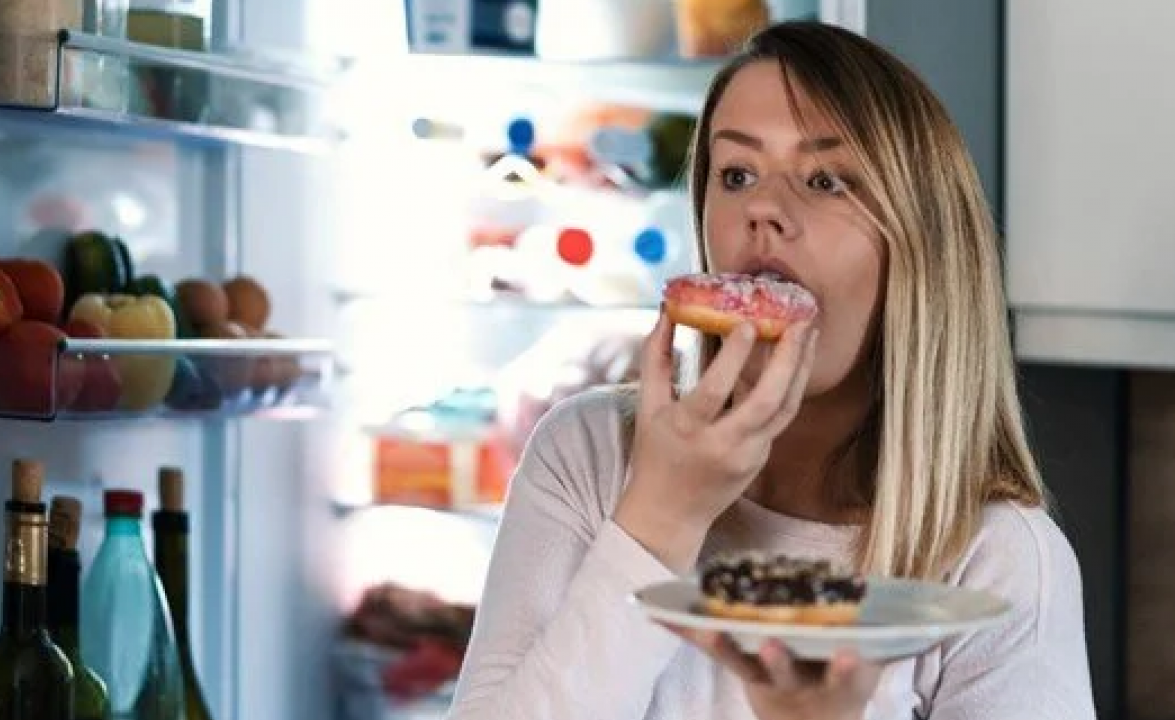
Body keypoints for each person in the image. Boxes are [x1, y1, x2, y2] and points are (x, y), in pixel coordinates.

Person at [444, 21, 1095, 720]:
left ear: (921, 249)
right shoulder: (588, 453)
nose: (761, 209)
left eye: (824, 179)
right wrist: (659, 519)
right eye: (736, 174)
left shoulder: (998, 558)